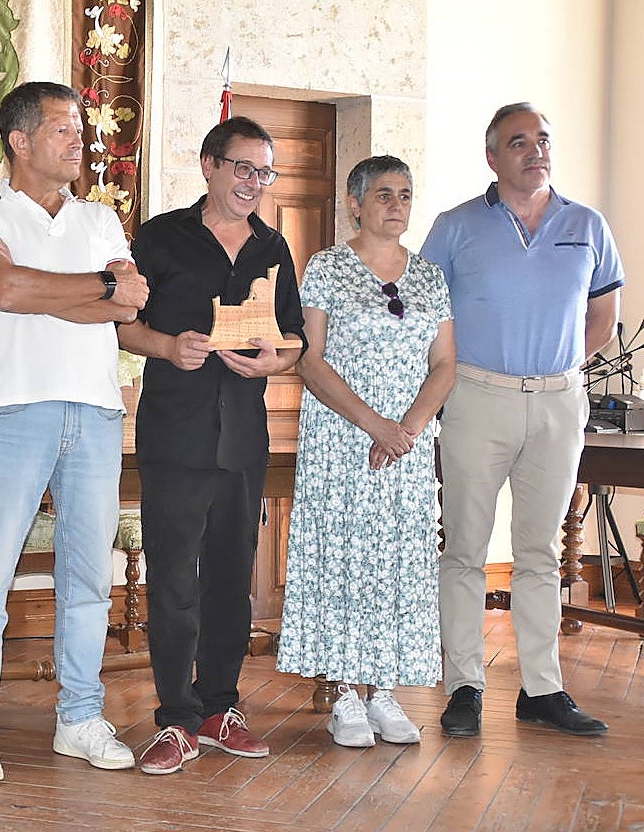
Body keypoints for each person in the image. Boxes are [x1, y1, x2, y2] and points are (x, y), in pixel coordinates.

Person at [0, 81, 149, 784]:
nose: (79, 141)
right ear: (20, 141)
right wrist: (93, 287)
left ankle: (80, 717)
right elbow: (1, 291)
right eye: (63, 129)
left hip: (94, 413)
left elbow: (126, 306)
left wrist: (52, 290)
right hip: (14, 409)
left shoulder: (99, 220)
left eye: (80, 129)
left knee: (89, 578)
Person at [421, 103, 621, 738]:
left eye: (543, 140)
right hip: (478, 396)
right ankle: (464, 689)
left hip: (560, 401)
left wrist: (557, 373)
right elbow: (425, 314)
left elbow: (602, 319)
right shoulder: (454, 227)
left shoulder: (587, 225)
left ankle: (542, 690)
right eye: (518, 142)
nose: (535, 151)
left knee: (539, 552)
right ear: (491, 158)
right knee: (465, 550)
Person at [118, 116, 305, 775]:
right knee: (174, 581)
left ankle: (220, 707)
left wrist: (273, 362)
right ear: (209, 165)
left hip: (243, 438)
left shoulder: (274, 249)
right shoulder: (161, 237)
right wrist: (168, 346)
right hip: (175, 434)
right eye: (242, 168)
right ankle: (174, 719)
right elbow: (121, 325)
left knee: (233, 576)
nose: (253, 182)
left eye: (264, 171)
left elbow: (294, 340)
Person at [275, 156, 455, 747]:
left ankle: (386, 692)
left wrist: (405, 428)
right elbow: (309, 357)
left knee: (398, 562)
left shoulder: (429, 276)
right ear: (355, 203)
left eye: (405, 193)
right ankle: (345, 696)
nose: (396, 204)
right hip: (344, 438)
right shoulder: (327, 268)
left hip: (404, 446)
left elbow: (445, 363)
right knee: (345, 557)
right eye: (383, 194)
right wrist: (374, 423)